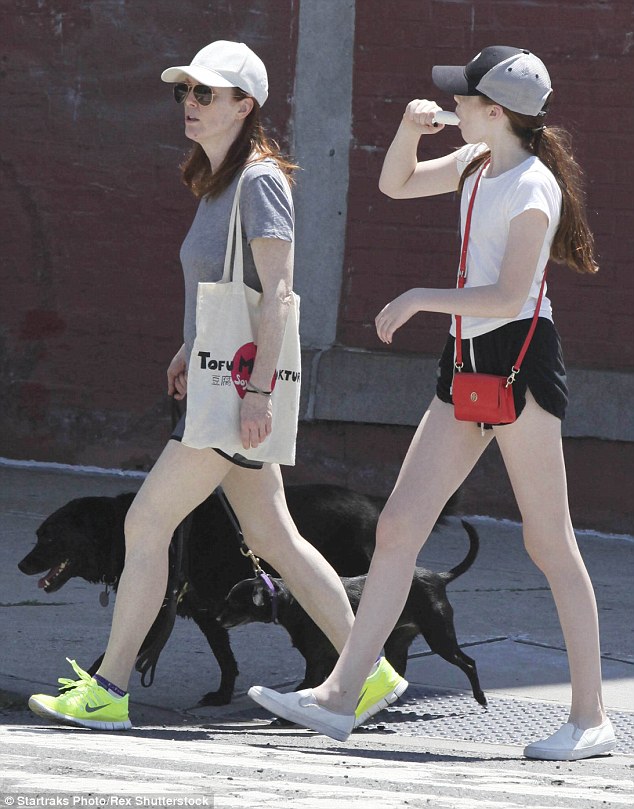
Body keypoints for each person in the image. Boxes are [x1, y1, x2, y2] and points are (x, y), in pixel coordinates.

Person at [248, 46, 617, 761]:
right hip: (467, 362)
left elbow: (510, 298)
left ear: (495, 112)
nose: (455, 106)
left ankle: (590, 717)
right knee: (397, 527)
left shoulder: (533, 189)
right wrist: (411, 133)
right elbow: (397, 183)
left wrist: (421, 298)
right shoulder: (478, 163)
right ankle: (339, 694)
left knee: (550, 541)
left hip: (519, 363)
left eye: (464, 100)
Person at [28, 40, 405, 731]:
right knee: (276, 536)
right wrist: (186, 345)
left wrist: (259, 392)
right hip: (217, 380)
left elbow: (277, 292)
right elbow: (228, 288)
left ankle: (109, 688)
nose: (191, 104)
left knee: (145, 522)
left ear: (245, 105)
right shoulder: (220, 179)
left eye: (206, 93)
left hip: (233, 395)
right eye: (186, 92)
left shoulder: (259, 180)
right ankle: (369, 671)